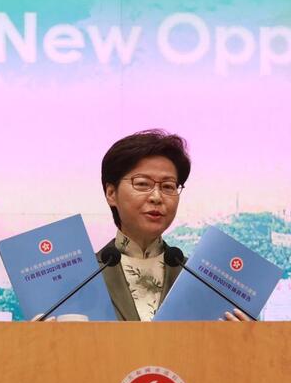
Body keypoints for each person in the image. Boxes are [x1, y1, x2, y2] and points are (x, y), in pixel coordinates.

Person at [97, 129, 251, 322]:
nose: (156, 197)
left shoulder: (202, 281)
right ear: (111, 193)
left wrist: (247, 338)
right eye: (143, 184)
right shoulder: (82, 279)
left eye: (168, 186)